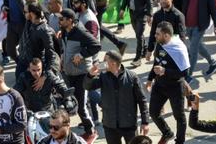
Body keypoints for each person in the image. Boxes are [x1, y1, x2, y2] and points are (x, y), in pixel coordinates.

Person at [84, 50, 150, 144]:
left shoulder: (132, 77)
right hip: (110, 125)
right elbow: (87, 87)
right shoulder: (103, 76)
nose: (101, 63)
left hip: (129, 125)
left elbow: (142, 100)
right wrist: (90, 75)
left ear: (113, 63)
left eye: (105, 60)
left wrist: (145, 122)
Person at [59, 8, 101, 142]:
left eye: (62, 19)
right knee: (75, 103)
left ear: (70, 20)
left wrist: (81, 55)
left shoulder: (80, 32)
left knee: (81, 107)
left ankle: (91, 131)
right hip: (69, 73)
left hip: (81, 74)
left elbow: (96, 45)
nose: (59, 21)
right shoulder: (66, 31)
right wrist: (62, 58)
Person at [146, 23, 189, 144]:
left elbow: (185, 72)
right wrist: (150, 79)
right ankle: (167, 133)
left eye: (157, 34)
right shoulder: (160, 44)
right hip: (159, 85)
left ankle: (180, 141)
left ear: (166, 35)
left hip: (175, 87)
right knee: (154, 112)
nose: (155, 36)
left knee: (179, 117)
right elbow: (156, 62)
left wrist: (165, 71)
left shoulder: (179, 49)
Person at [179, 0, 216, 78]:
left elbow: (213, 9)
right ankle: (213, 63)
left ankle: (189, 75)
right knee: (198, 46)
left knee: (193, 50)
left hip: (200, 26)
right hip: (188, 25)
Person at [118, 0, 153, 67]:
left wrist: (149, 15)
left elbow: (149, 0)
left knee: (138, 35)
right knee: (139, 34)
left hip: (141, 14)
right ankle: (145, 49)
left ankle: (138, 58)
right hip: (132, 12)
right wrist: (122, 8)